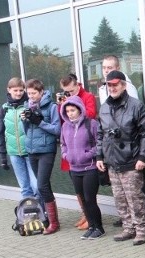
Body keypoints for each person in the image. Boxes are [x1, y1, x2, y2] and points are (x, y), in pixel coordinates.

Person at [96, 70, 145, 246]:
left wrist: (143, 156)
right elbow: (100, 134)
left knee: (135, 198)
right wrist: (99, 155)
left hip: (131, 160)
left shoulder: (136, 105)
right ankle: (128, 228)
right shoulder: (104, 107)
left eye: (115, 84)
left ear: (123, 85)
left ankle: (141, 229)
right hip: (112, 161)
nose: (112, 88)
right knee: (120, 198)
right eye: (109, 85)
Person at [60, 96, 105, 239]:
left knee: (90, 199)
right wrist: (66, 155)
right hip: (74, 169)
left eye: (73, 110)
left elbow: (99, 143)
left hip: (89, 168)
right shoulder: (65, 126)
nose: (70, 113)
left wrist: (87, 155)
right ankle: (91, 226)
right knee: (83, 200)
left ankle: (99, 227)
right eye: (67, 111)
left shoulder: (91, 124)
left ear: (80, 109)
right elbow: (63, 144)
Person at [58, 73, 98, 231]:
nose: (70, 94)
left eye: (71, 91)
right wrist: (61, 106)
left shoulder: (87, 96)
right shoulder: (66, 101)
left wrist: (76, 106)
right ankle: (85, 215)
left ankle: (92, 220)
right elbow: (64, 123)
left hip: (85, 150)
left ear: (78, 85)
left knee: (89, 193)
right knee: (78, 190)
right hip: (72, 153)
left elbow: (91, 115)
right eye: (66, 92)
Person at [22, 79, 62, 234]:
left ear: (41, 91)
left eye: (34, 93)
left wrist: (39, 122)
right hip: (32, 149)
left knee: (41, 185)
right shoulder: (27, 105)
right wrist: (25, 120)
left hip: (46, 150)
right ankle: (47, 217)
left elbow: (57, 130)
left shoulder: (51, 107)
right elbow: (27, 129)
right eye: (29, 93)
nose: (31, 96)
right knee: (43, 187)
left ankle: (54, 223)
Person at [0, 77, 38, 199]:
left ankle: (43, 213)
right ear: (8, 90)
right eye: (15, 90)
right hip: (14, 153)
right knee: (25, 187)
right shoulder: (4, 108)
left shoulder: (29, 105)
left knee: (36, 185)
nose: (19, 93)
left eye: (21, 90)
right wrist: (3, 156)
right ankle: (29, 215)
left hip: (30, 152)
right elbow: (1, 132)